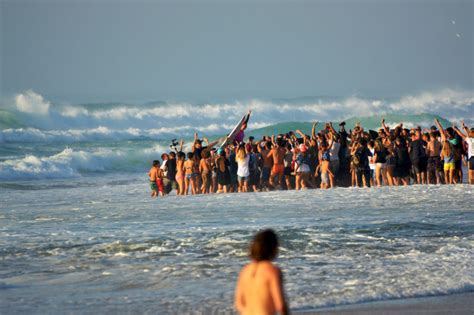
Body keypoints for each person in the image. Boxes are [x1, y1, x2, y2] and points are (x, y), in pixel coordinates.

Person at [235, 229, 288, 315]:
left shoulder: (245, 270)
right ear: (273, 248)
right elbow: (280, 305)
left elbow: (239, 303)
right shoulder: (272, 270)